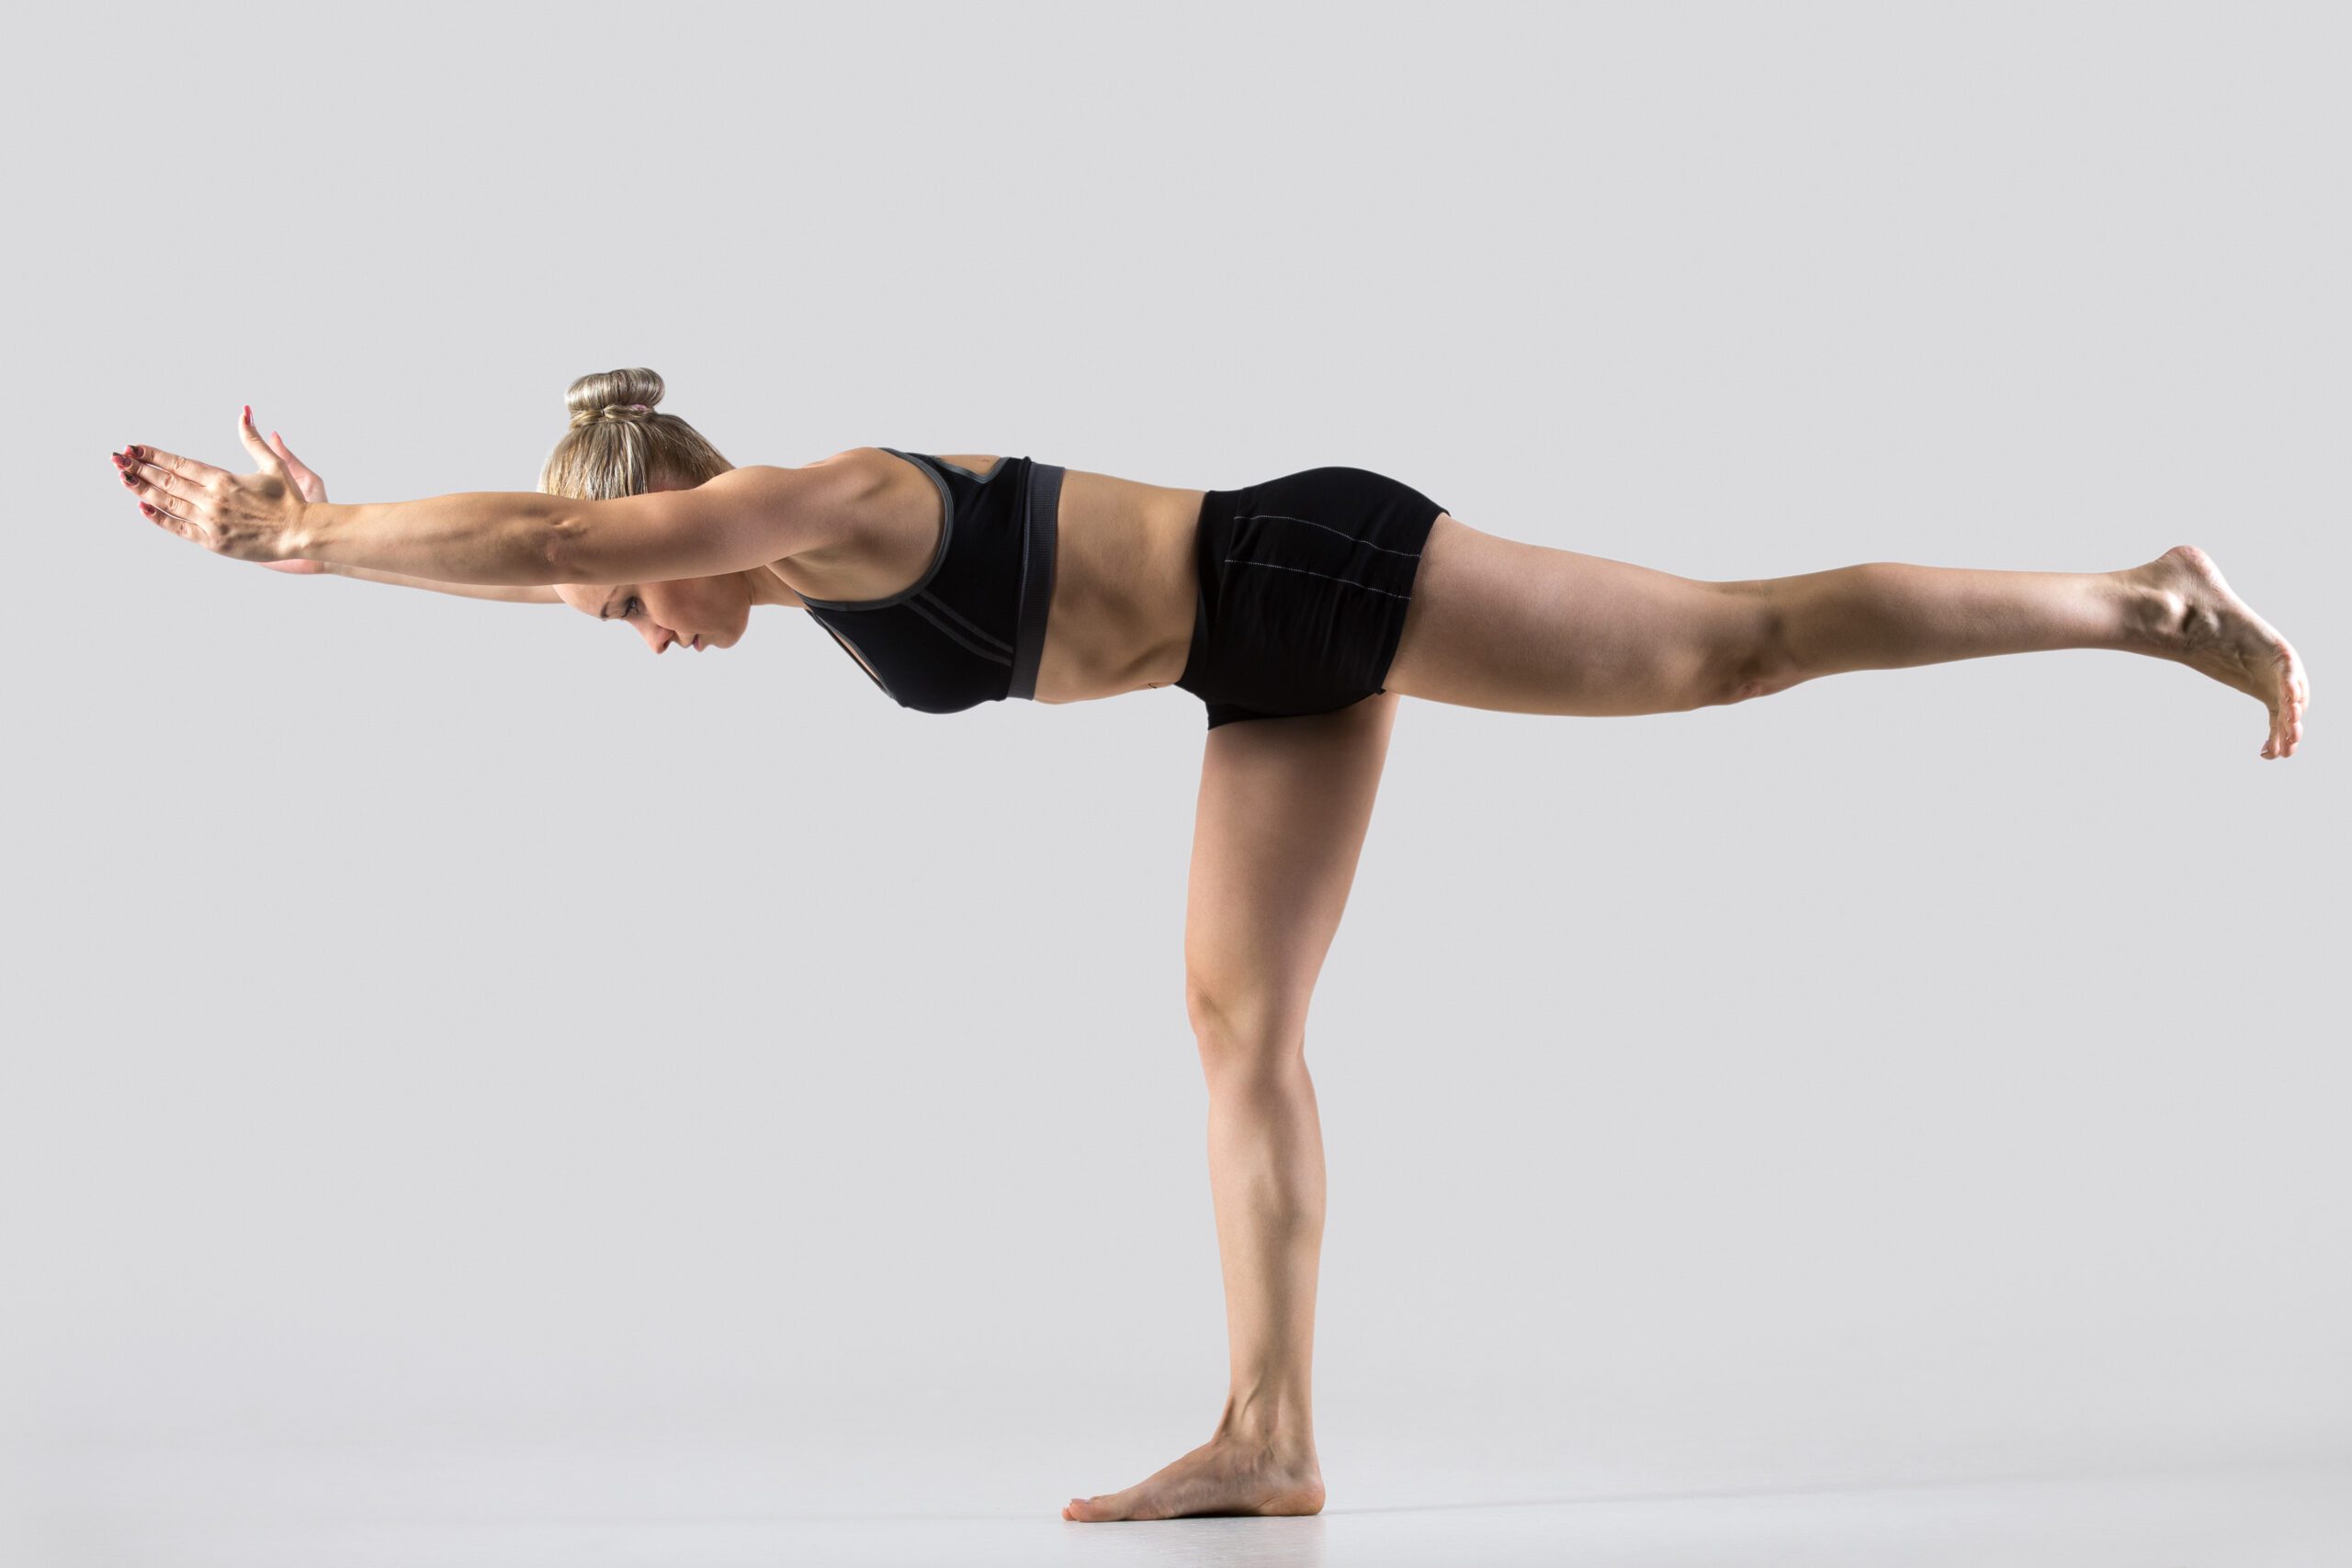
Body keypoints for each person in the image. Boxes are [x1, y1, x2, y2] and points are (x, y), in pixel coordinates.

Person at [111, 367, 2309, 1524]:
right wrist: (351, 567)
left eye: (621, 607)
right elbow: (547, 556)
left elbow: (577, 533)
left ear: (674, 512)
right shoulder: (763, 570)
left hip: (1307, 568)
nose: (629, 634)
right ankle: (1270, 1430)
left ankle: (2143, 598)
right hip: (1240, 669)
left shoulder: (823, 494)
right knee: (1232, 1025)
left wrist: (302, 534)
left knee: (1725, 650)